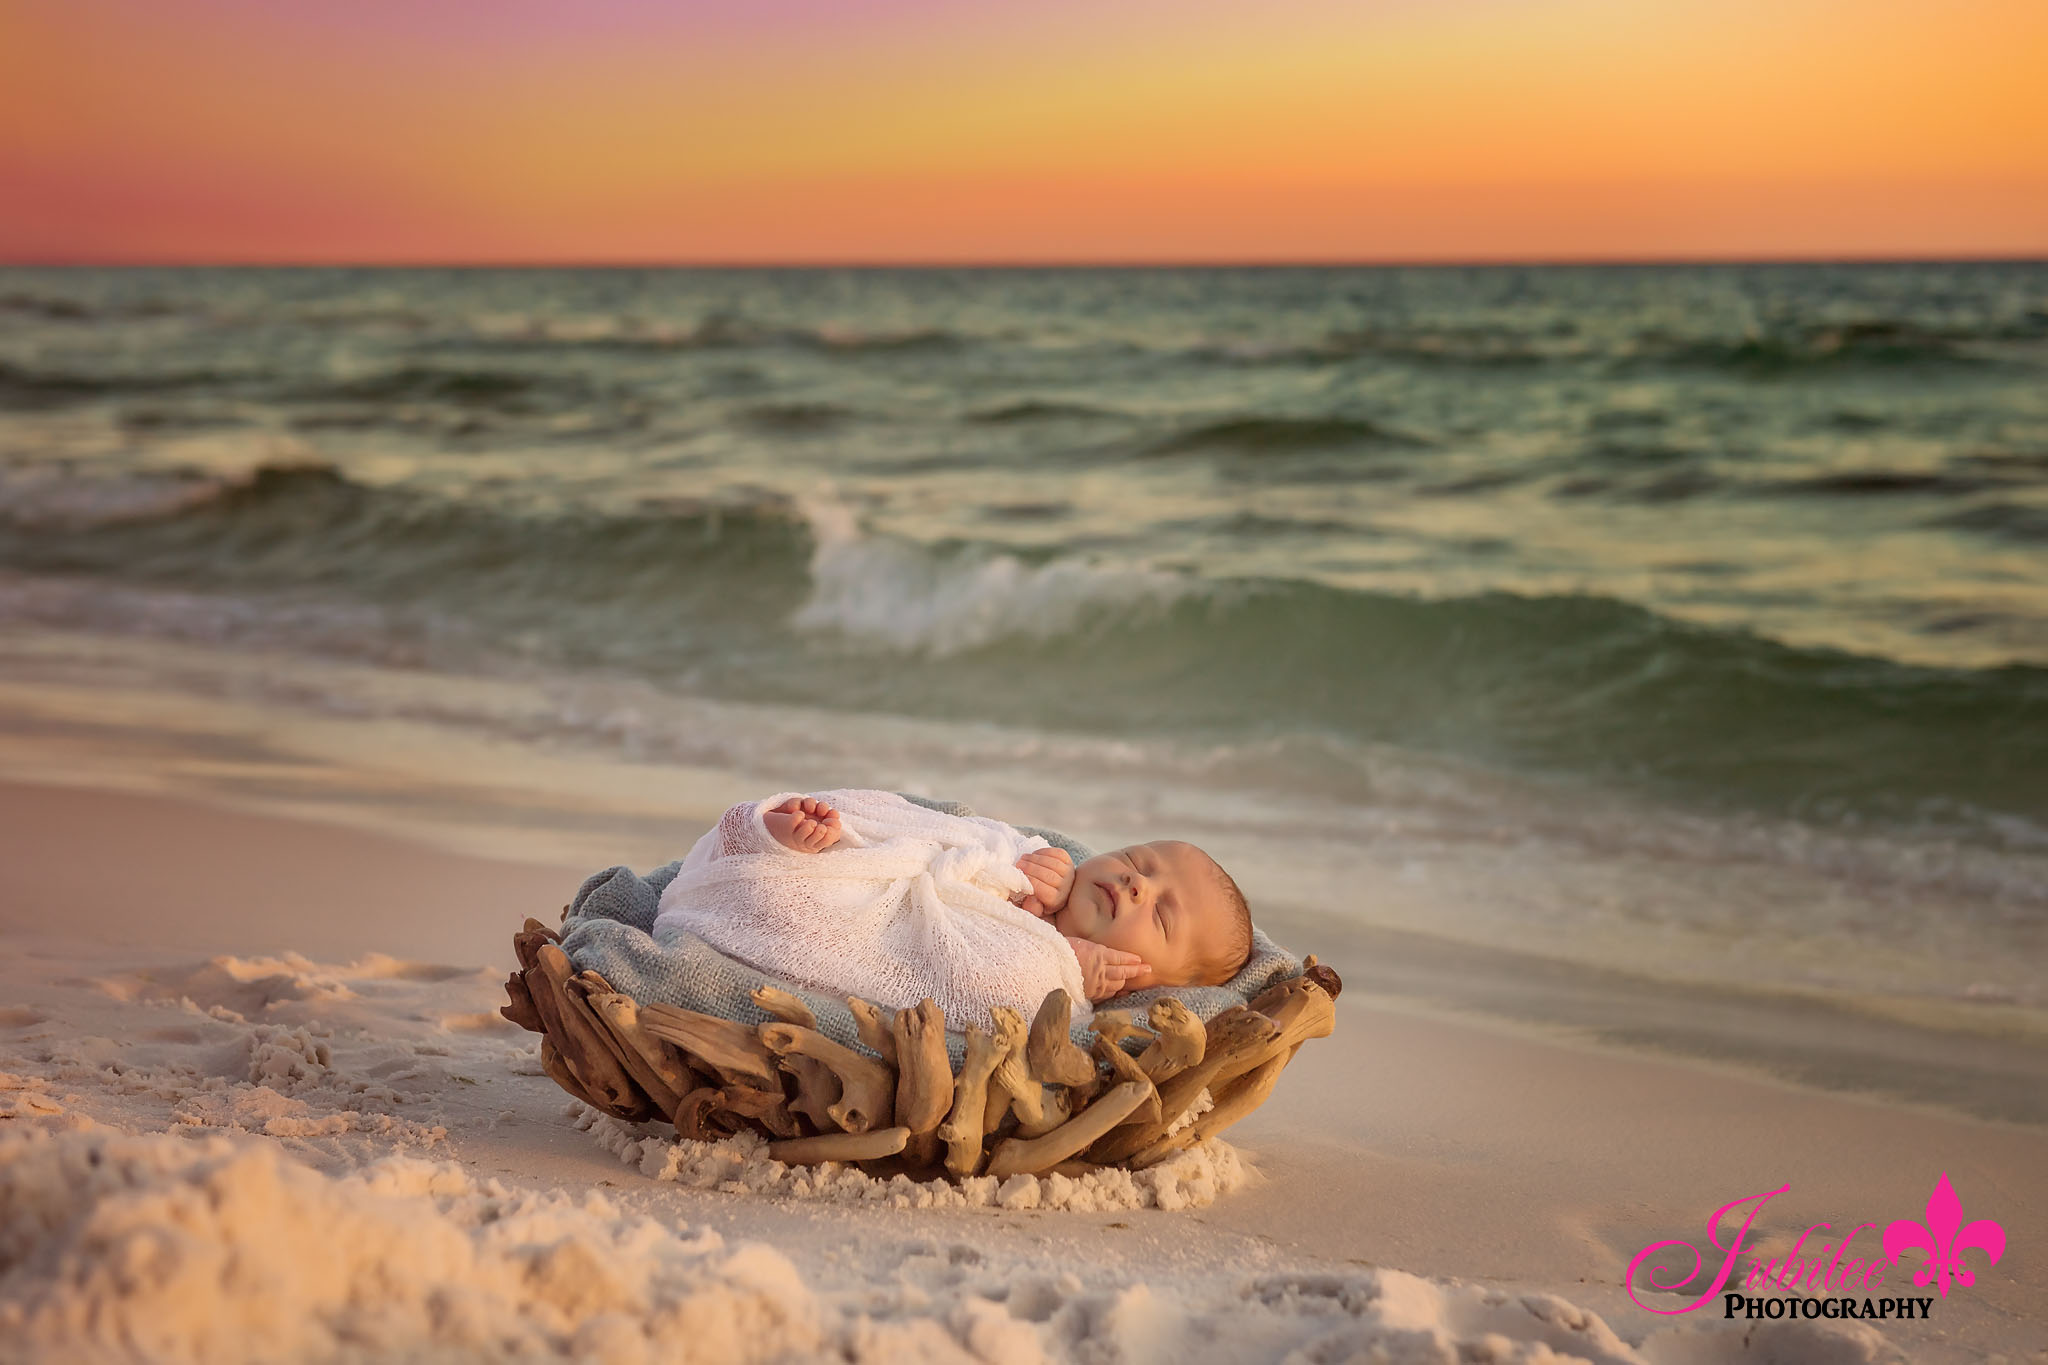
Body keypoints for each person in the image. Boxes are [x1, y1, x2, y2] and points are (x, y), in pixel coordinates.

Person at [651, 789, 1253, 1031]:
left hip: (875, 934)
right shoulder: (1044, 864)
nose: (1137, 884)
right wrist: (1020, 868)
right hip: (878, 879)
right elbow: (948, 842)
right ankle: (780, 837)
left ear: (1148, 983)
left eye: (1162, 917)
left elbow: (982, 987)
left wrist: (1065, 968)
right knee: (847, 842)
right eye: (1137, 859)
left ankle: (769, 867)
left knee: (781, 904)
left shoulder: (1067, 985)